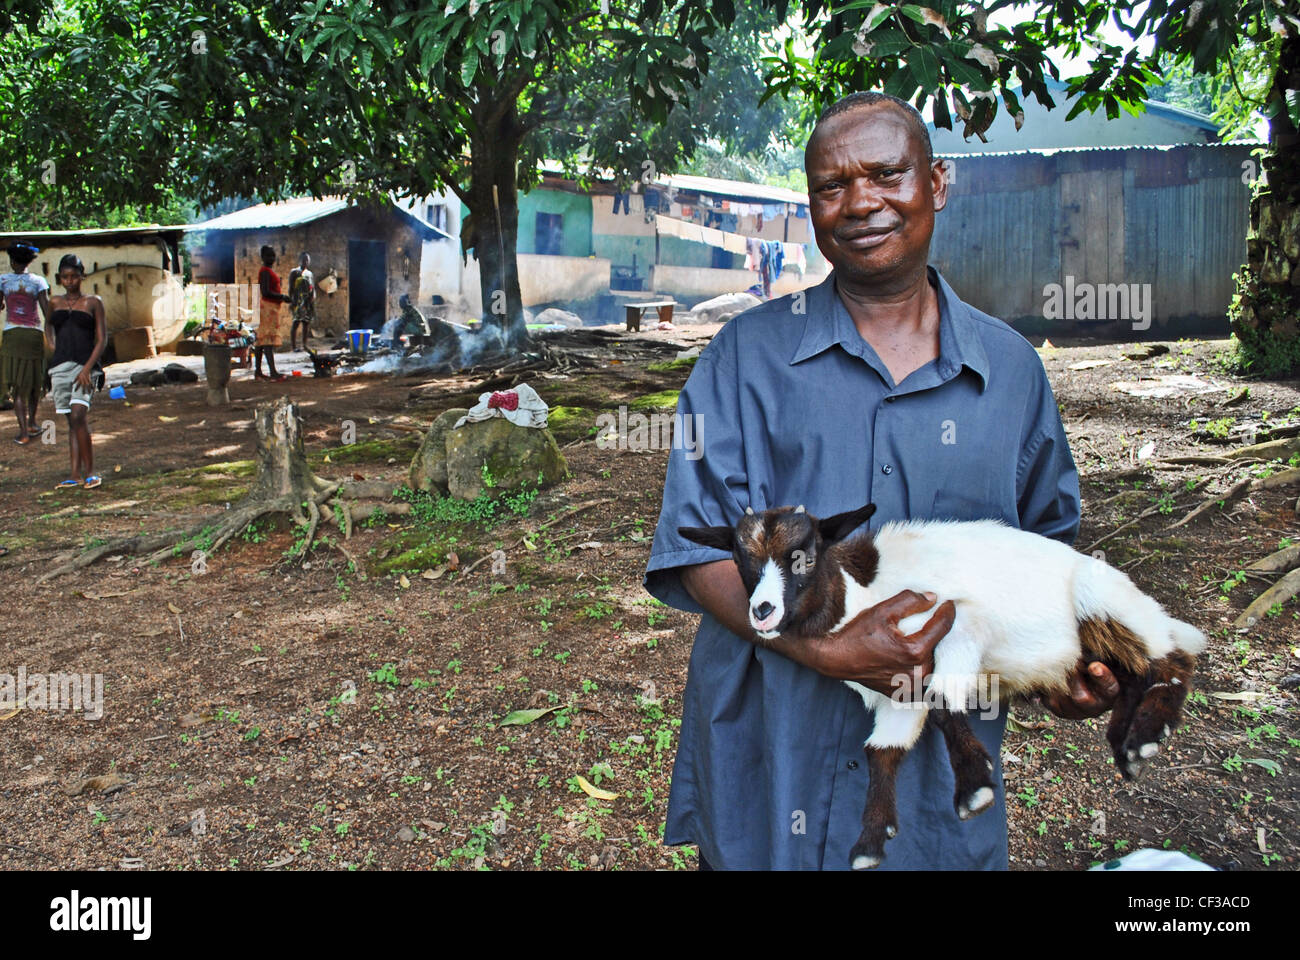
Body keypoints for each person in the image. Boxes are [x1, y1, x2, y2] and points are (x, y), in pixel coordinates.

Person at [644, 92, 1119, 871]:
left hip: (930, 787)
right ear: (812, 204)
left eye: (887, 174)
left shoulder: (1010, 375)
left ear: (936, 182)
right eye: (832, 185)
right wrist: (826, 650)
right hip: (774, 750)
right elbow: (694, 550)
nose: (861, 202)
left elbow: (1041, 570)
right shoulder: (744, 358)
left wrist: (1062, 671)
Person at [47, 254, 107, 488]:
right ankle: (73, 474)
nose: (70, 281)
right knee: (71, 422)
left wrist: (88, 368)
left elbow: (102, 340)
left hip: (86, 366)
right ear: (59, 278)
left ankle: (91, 472)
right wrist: (54, 348)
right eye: (65, 277)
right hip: (60, 368)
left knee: (79, 415)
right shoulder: (54, 303)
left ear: (82, 276)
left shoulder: (94, 302)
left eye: (74, 276)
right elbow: (49, 327)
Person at [0, 242, 52, 444]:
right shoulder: (39, 282)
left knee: (17, 386)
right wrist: (53, 333)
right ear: (30, 261)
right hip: (33, 335)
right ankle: (32, 422)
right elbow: (47, 311)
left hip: (12, 336)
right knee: (33, 382)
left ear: (12, 261)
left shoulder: (3, 281)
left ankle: (23, 433)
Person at [255, 245, 290, 381]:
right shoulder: (265, 271)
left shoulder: (268, 270)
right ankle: (273, 372)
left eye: (273, 255)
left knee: (262, 340)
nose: (272, 258)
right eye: (269, 256)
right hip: (268, 308)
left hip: (270, 307)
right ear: (262, 257)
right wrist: (282, 297)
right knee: (268, 340)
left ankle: (258, 372)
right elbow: (265, 292)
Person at [288, 252, 316, 351]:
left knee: (306, 324)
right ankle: (294, 346)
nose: (305, 262)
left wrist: (312, 299)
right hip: (297, 301)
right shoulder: (294, 272)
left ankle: (304, 345)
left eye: (307, 260)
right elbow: (291, 287)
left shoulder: (310, 274)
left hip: (307, 302)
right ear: (300, 260)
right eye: (304, 260)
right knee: (296, 323)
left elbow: (312, 288)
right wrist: (291, 301)